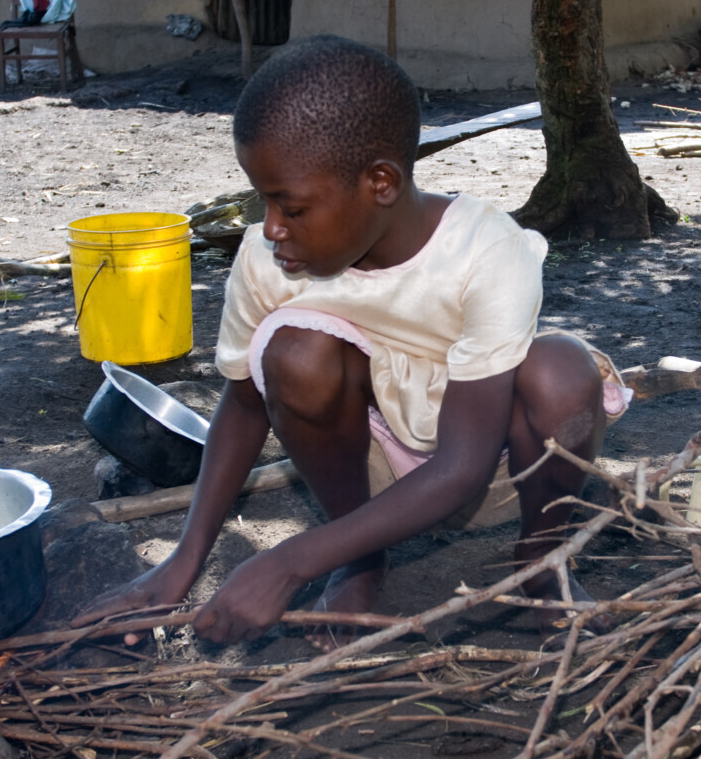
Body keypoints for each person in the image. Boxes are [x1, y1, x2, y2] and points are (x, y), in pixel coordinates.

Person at [74, 35, 628, 651]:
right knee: (294, 351)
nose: (271, 227)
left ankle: (543, 559)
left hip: (490, 461)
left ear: (381, 182)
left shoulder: (486, 251)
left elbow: (462, 468)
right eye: (264, 200)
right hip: (369, 465)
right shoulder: (268, 262)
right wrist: (183, 563)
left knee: (562, 369)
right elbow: (244, 406)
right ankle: (360, 558)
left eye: (291, 206)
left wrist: (289, 561)